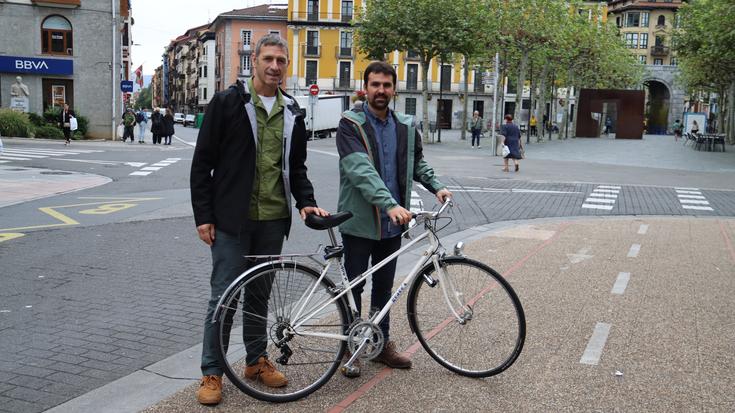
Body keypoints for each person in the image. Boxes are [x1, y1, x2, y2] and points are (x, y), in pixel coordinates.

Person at [190, 33, 329, 406]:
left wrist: (307, 202)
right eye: (268, 59)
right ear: (254, 60)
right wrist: (204, 216)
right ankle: (212, 372)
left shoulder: (293, 111)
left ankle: (255, 362)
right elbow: (203, 163)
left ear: (287, 64)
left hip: (272, 219)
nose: (274, 67)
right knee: (223, 297)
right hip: (231, 221)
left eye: (281, 61)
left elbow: (296, 167)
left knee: (259, 296)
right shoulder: (228, 103)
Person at [336, 61, 452, 378]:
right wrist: (389, 204)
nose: (381, 91)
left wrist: (437, 186)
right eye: (375, 84)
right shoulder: (351, 124)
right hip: (360, 221)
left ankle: (381, 343)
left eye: (387, 85)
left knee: (385, 288)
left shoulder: (405, 126)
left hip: (391, 224)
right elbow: (360, 170)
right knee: (355, 287)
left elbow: (416, 164)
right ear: (366, 87)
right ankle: (352, 345)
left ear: (394, 89)